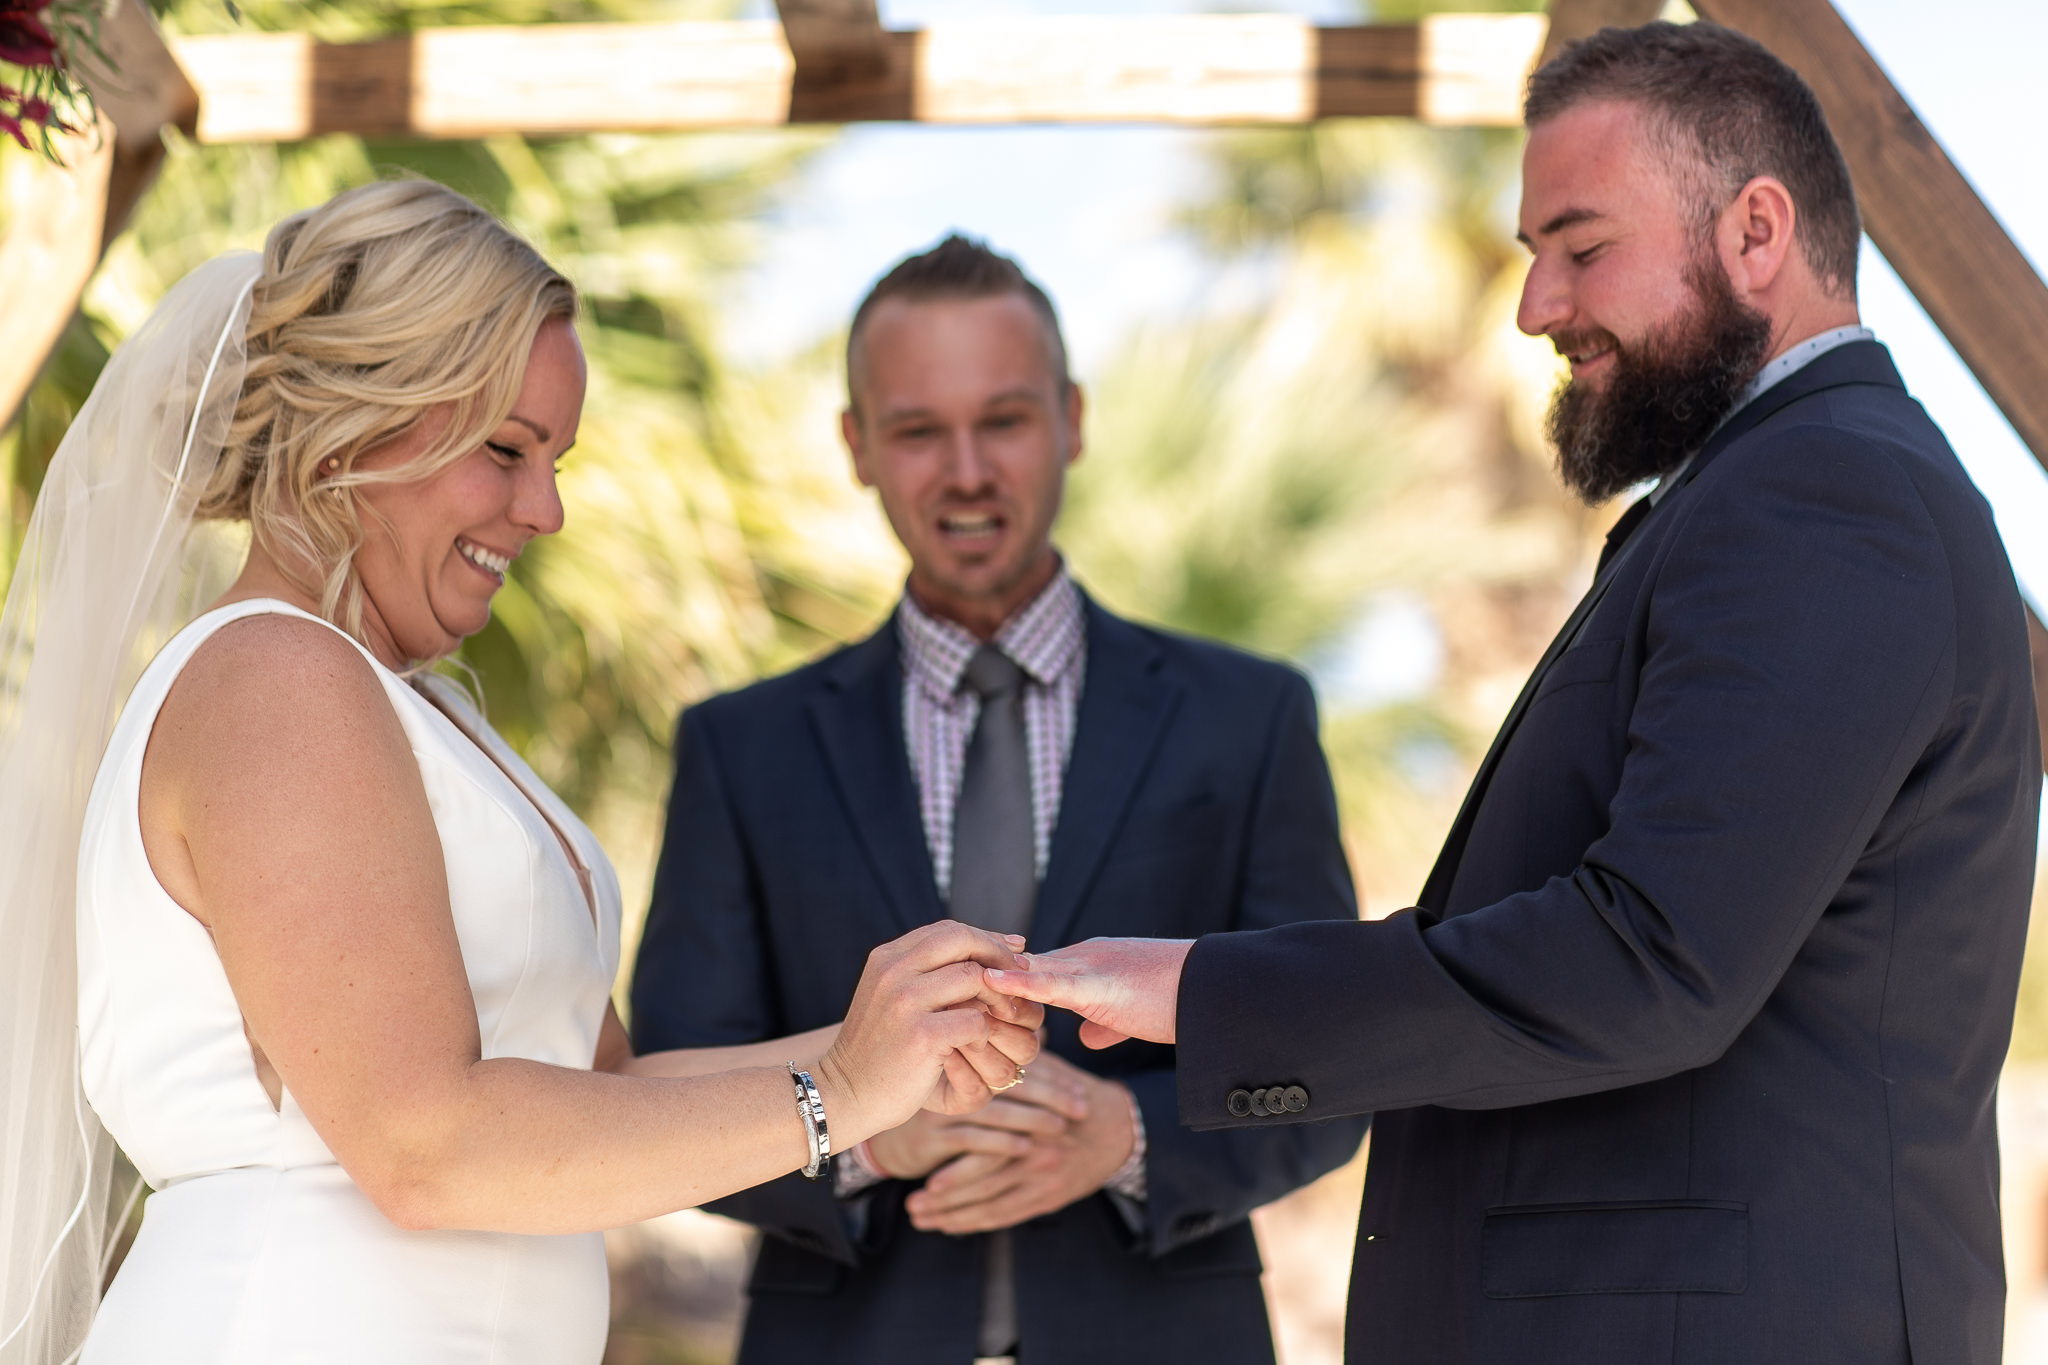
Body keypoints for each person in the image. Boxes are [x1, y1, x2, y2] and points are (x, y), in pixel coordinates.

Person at [986, 22, 2040, 1365]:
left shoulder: (1825, 495)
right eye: (1534, 254)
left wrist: (1209, 990)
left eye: (1582, 247)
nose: (1538, 306)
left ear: (1758, 231)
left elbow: (1651, 956)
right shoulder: (1780, 492)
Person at [0, 180, 1042, 1365]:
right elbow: (422, 1143)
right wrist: (837, 1096)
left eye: (556, 458)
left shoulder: (412, 708)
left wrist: (890, 1059)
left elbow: (609, 1082)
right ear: (353, 418)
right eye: (506, 449)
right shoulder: (274, 680)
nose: (543, 509)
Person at [630, 235, 1367, 1365]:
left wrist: (1128, 1135)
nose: (965, 469)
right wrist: (870, 1131)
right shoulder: (743, 748)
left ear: (1071, 420)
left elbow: (1327, 1055)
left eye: (1005, 420)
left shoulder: (1246, 717)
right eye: (918, 429)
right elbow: (667, 1091)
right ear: (856, 446)